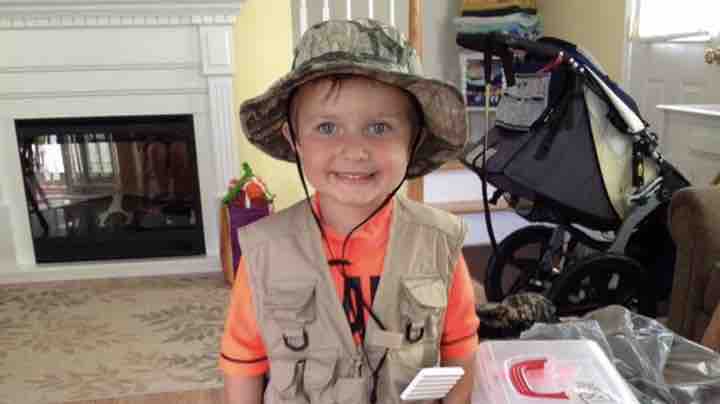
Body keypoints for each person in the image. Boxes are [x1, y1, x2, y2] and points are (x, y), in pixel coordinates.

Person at [219, 19, 480, 404]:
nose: (354, 150)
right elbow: (243, 361)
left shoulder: (439, 244)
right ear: (295, 138)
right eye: (327, 127)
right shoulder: (265, 253)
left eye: (379, 127)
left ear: (414, 138)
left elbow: (459, 347)